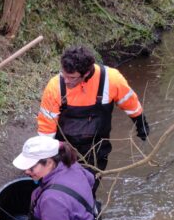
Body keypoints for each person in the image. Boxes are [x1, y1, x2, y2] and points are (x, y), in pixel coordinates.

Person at [35, 46, 149, 174]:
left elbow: (130, 103)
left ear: (87, 73)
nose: (65, 80)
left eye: (72, 78)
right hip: (64, 151)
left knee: (90, 187)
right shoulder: (55, 86)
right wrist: (45, 158)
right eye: (64, 74)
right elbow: (46, 125)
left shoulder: (112, 80)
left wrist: (141, 124)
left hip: (96, 150)